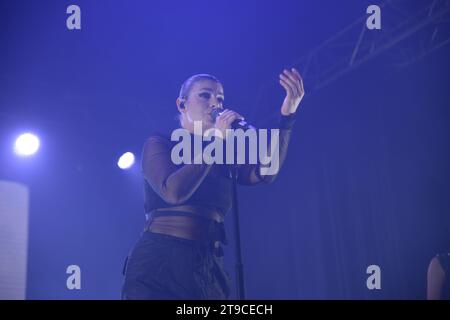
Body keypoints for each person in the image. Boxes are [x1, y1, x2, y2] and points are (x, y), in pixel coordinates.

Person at [121, 68, 305, 299]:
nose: (215, 104)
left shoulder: (222, 153)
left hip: (207, 265)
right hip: (160, 264)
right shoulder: (160, 143)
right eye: (205, 95)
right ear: (182, 105)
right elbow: (173, 192)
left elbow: (266, 173)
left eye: (220, 99)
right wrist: (218, 141)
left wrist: (287, 117)